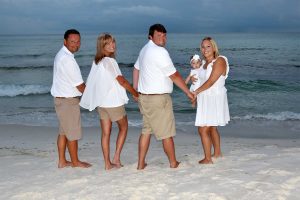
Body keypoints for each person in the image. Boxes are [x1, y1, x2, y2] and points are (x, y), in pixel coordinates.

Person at [133, 24, 195, 170]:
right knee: (166, 133)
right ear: (151, 36)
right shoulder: (160, 52)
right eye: (159, 35)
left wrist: (135, 89)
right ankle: (173, 163)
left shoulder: (144, 50)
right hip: (158, 100)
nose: (163, 38)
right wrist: (188, 92)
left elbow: (136, 68)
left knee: (146, 131)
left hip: (145, 99)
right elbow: (174, 75)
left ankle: (141, 164)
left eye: (164, 35)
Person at [80, 33, 139, 170]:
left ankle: (107, 163)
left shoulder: (97, 62)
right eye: (108, 43)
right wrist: (135, 93)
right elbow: (122, 81)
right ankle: (116, 158)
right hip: (113, 102)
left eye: (113, 42)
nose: (112, 45)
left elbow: (93, 82)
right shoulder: (110, 61)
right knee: (123, 127)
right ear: (102, 46)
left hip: (102, 103)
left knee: (106, 133)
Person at [51, 29, 91, 168]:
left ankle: (62, 161)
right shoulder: (67, 59)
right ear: (65, 41)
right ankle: (75, 162)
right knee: (72, 133)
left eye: (78, 41)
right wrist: (93, 98)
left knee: (63, 132)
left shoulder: (62, 54)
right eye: (72, 41)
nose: (76, 44)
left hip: (62, 100)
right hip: (67, 101)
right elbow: (80, 86)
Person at [193, 37, 230, 164]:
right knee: (212, 128)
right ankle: (217, 153)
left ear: (214, 47)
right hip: (205, 99)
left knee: (203, 129)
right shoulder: (203, 64)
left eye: (208, 46)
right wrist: (194, 85)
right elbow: (201, 81)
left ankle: (208, 159)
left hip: (215, 99)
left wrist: (196, 92)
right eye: (203, 47)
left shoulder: (220, 60)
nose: (205, 49)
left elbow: (211, 81)